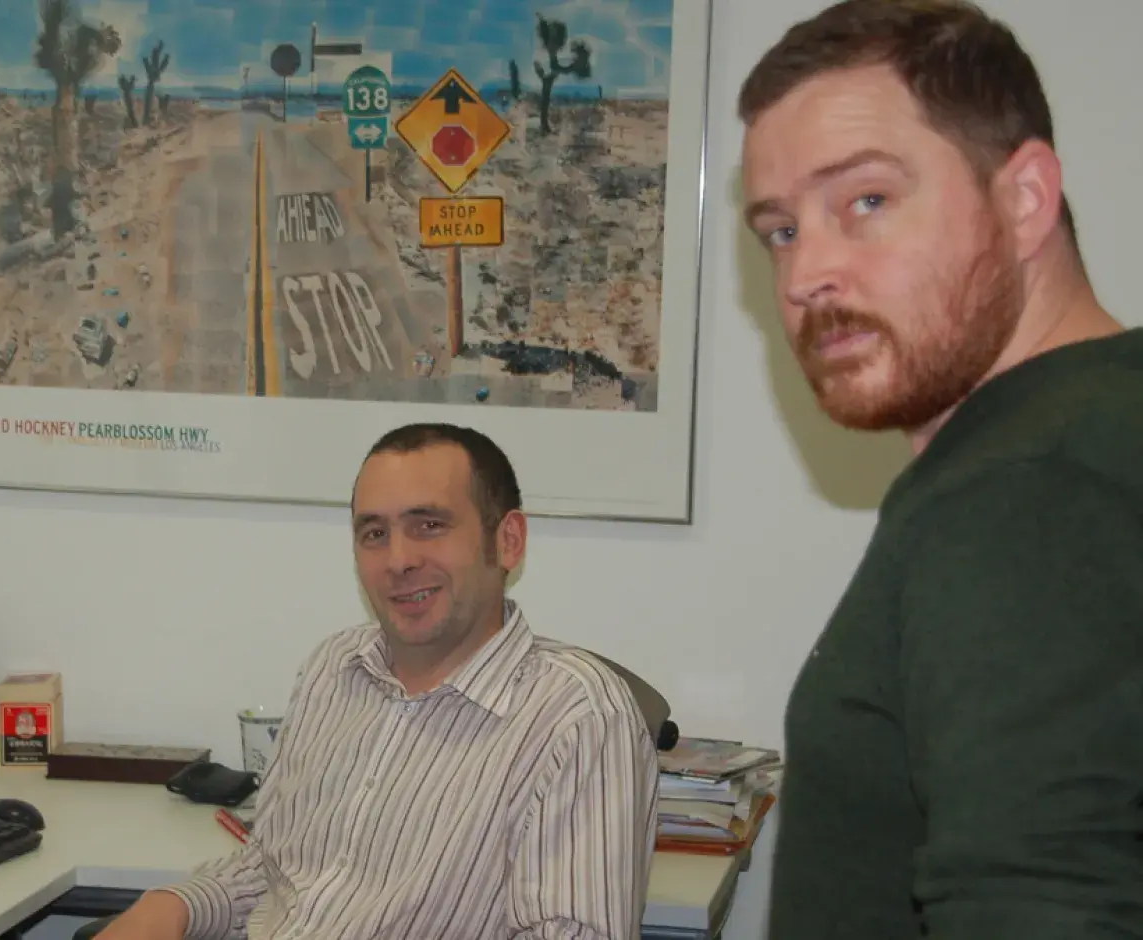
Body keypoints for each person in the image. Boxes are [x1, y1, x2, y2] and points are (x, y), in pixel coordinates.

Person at [737, 1, 1143, 937]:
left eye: (866, 201)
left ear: (1026, 199)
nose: (803, 276)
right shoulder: (1089, 436)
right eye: (781, 230)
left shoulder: (1029, 487)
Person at [97, 423, 657, 940]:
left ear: (507, 541)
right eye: (374, 533)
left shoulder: (580, 719)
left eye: (429, 526)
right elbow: (268, 870)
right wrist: (170, 906)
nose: (398, 560)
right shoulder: (334, 668)